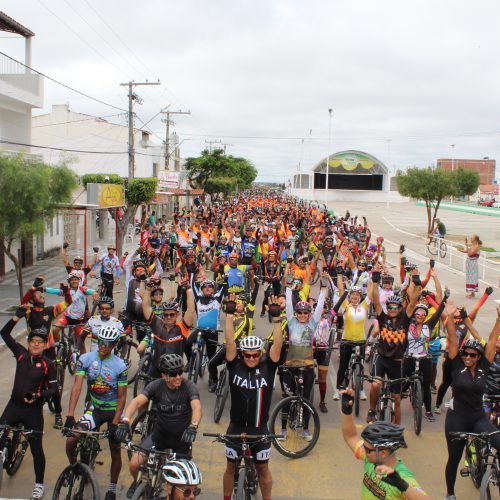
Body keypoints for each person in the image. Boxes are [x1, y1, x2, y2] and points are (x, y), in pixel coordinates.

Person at [221, 295, 284, 500]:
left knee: (263, 470)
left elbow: (277, 346)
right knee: (230, 468)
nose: (251, 358)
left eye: (255, 355)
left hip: (259, 428)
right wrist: (229, 315)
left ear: (260, 354)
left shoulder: (268, 365)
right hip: (236, 428)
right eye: (247, 355)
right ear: (241, 354)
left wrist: (276, 320)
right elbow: (230, 340)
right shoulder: (234, 363)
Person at [116, 354, 202, 498]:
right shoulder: (156, 386)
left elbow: (197, 407)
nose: (178, 377)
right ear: (164, 376)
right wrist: (125, 420)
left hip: (182, 441)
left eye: (180, 372)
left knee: (183, 486)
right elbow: (137, 402)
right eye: (173, 374)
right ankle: (137, 483)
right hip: (159, 436)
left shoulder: (188, 387)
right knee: (134, 465)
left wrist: (193, 426)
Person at [443, 301, 500, 499]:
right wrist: (449, 316)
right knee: (454, 458)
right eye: (465, 353)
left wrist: (499, 320)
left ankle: (495, 472)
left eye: (472, 355)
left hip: (478, 418)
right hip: (457, 418)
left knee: (498, 441)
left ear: (478, 357)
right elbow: (452, 337)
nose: (468, 357)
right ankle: (450, 493)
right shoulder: (456, 363)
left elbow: (492, 341)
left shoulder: (485, 364)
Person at [64, 325, 128, 500]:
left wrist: (115, 423)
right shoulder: (85, 359)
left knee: (115, 448)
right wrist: (70, 415)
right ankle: (74, 467)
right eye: (100, 342)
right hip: (95, 409)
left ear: (114, 344)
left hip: (114, 411)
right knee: (71, 439)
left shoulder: (120, 365)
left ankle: (112, 488)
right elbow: (77, 387)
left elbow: (122, 398)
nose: (103, 346)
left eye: (107, 344)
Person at [0, 312, 58, 500]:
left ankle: (39, 485)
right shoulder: (21, 355)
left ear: (44, 345)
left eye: (39, 342)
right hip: (13, 406)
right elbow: (4, 333)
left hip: (32, 412)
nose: (35, 344)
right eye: (32, 340)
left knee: (36, 449)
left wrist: (38, 396)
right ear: (28, 343)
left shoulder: (49, 364)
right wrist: (16, 317)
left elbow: (55, 389)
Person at [340, 389, 430, 499]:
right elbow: (351, 437)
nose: (364, 450)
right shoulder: (371, 459)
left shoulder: (403, 477)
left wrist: (402, 485)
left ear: (382, 453)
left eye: (367, 450)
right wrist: (346, 411)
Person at [367, 264, 419, 425]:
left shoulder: (405, 318)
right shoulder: (383, 318)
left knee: (397, 400)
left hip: (397, 363)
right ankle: (371, 410)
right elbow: (376, 300)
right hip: (382, 359)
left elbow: (413, 301)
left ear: (400, 309)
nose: (393, 309)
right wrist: (375, 280)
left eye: (396, 307)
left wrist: (415, 281)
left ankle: (397, 432)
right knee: (376, 385)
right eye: (390, 307)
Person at [460, 234, 482, 298]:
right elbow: (468, 251)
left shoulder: (477, 246)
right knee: (470, 277)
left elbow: (469, 254)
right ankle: (471, 293)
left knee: (472, 278)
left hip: (473, 264)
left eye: (472, 238)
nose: (471, 239)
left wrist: (467, 247)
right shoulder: (473, 245)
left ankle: (473, 294)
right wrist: (462, 250)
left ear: (475, 239)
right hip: (470, 263)